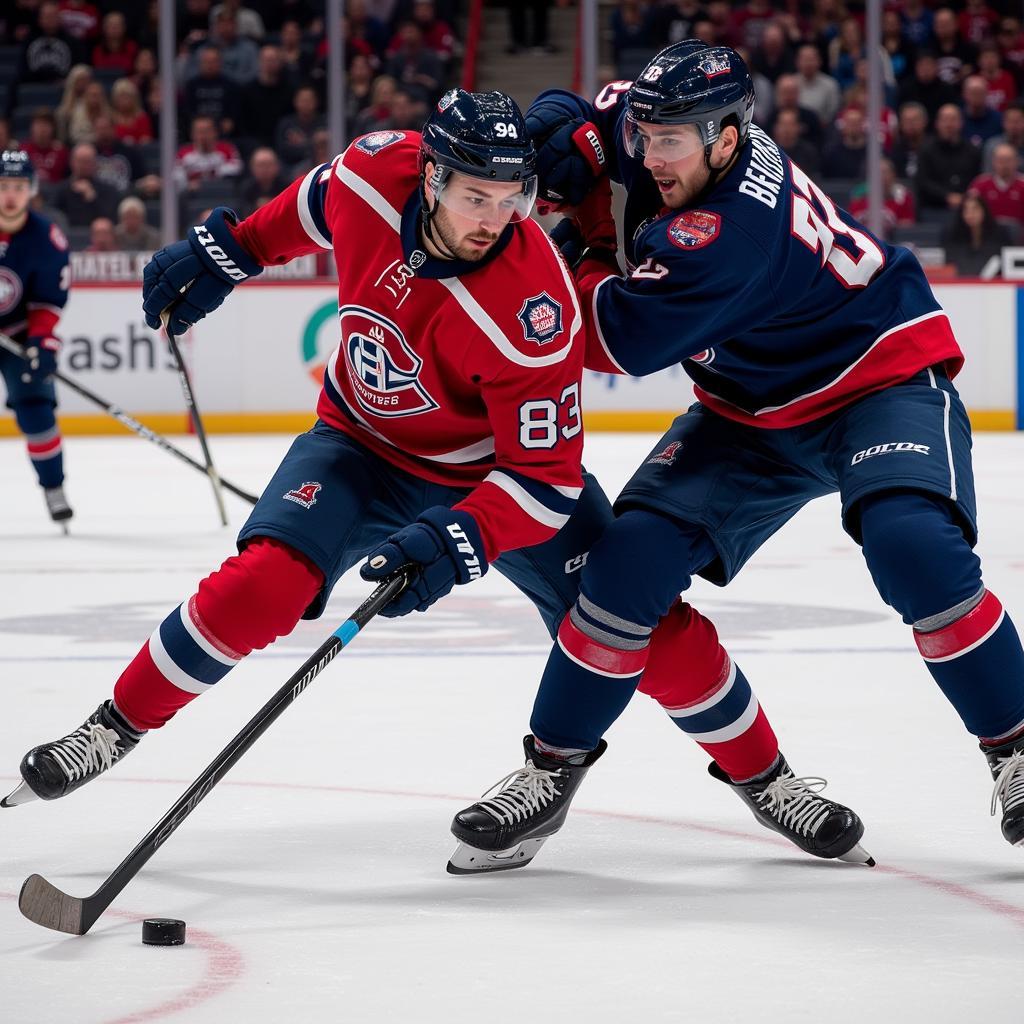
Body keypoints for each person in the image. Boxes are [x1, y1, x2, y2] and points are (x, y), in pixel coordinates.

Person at [1, 93, 869, 875]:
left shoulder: (536, 306)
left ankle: (767, 778)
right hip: (358, 444)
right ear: (429, 176)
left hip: (488, 477)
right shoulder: (374, 172)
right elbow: (307, 208)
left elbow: (545, 479)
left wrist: (465, 534)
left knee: (637, 623)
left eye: (514, 198)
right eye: (475, 196)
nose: (497, 219)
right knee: (264, 585)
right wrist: (232, 250)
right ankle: (111, 729)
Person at [452, 39, 1024, 866]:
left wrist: (559, 244)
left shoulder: (735, 233)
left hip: (875, 380)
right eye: (647, 135)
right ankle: (549, 772)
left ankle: (1014, 746)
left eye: (672, 141)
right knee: (624, 568)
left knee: (912, 546)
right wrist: (549, 133)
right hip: (747, 410)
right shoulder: (665, 125)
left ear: (727, 137)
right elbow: (581, 116)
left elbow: (615, 337)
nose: (651, 153)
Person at [0, 151, 72, 527]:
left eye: (17, 187)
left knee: (35, 409)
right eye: (3, 187)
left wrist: (42, 341)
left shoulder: (46, 237)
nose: (10, 195)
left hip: (18, 333)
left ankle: (53, 487)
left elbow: (47, 302)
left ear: (31, 190)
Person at [941, 191, 1012, 275]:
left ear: (984, 210)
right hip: (962, 283)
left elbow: (1005, 263)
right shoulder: (952, 235)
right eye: (966, 210)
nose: (970, 214)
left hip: (995, 284)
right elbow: (950, 264)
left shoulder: (1000, 234)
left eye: (975, 209)